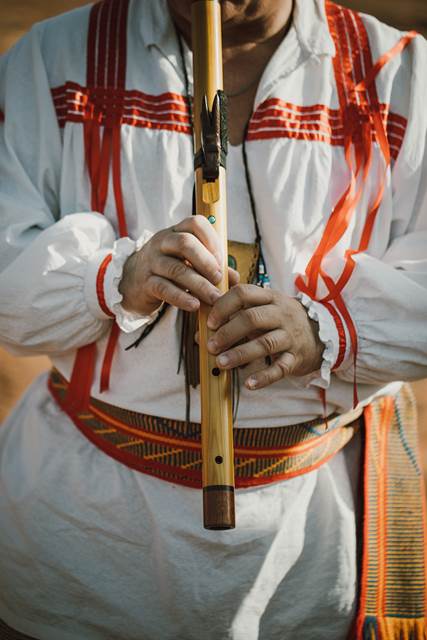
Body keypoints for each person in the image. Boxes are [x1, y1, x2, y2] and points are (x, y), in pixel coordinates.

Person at [0, 0, 426, 638]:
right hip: (86, 537)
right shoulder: (51, 57)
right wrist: (121, 277)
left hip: (312, 541)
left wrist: (323, 331)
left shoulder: (400, 72)